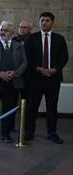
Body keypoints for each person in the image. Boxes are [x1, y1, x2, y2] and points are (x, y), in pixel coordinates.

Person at [25, 12, 69, 144]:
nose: (44, 23)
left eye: (47, 20)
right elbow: (27, 57)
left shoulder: (59, 39)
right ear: (39, 22)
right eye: (42, 20)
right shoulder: (32, 38)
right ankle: (29, 131)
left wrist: (54, 70)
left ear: (52, 22)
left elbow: (64, 57)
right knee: (32, 106)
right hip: (35, 78)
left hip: (53, 78)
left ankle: (52, 133)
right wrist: (38, 69)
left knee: (52, 107)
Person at [0, 21, 27, 143]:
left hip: (13, 83)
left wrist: (15, 73)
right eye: (1, 30)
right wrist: (0, 73)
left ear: (12, 32)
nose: (3, 32)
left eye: (6, 30)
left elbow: (24, 62)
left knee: (8, 110)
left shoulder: (18, 45)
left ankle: (5, 133)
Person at [14, 20, 32, 99]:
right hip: (15, 75)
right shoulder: (13, 40)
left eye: (25, 27)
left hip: (29, 75)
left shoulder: (33, 40)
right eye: (21, 27)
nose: (22, 29)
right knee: (12, 100)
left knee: (27, 100)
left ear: (29, 29)